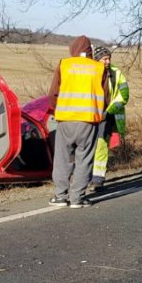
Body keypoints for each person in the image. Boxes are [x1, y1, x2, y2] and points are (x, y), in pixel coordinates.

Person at [46, 36, 108, 208]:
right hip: (88, 121)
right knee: (84, 159)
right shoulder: (99, 68)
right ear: (90, 51)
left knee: (62, 158)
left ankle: (60, 196)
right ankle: (77, 198)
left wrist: (57, 110)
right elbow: (106, 97)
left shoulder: (64, 64)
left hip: (66, 119)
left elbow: (53, 94)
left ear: (72, 48)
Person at [90, 45, 129, 190]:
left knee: (101, 146)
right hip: (90, 115)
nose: (107, 61)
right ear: (97, 59)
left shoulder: (116, 73)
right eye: (104, 59)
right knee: (87, 147)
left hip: (106, 116)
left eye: (108, 58)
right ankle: (85, 177)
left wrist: (108, 112)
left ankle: (98, 179)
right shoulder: (90, 72)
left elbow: (124, 95)